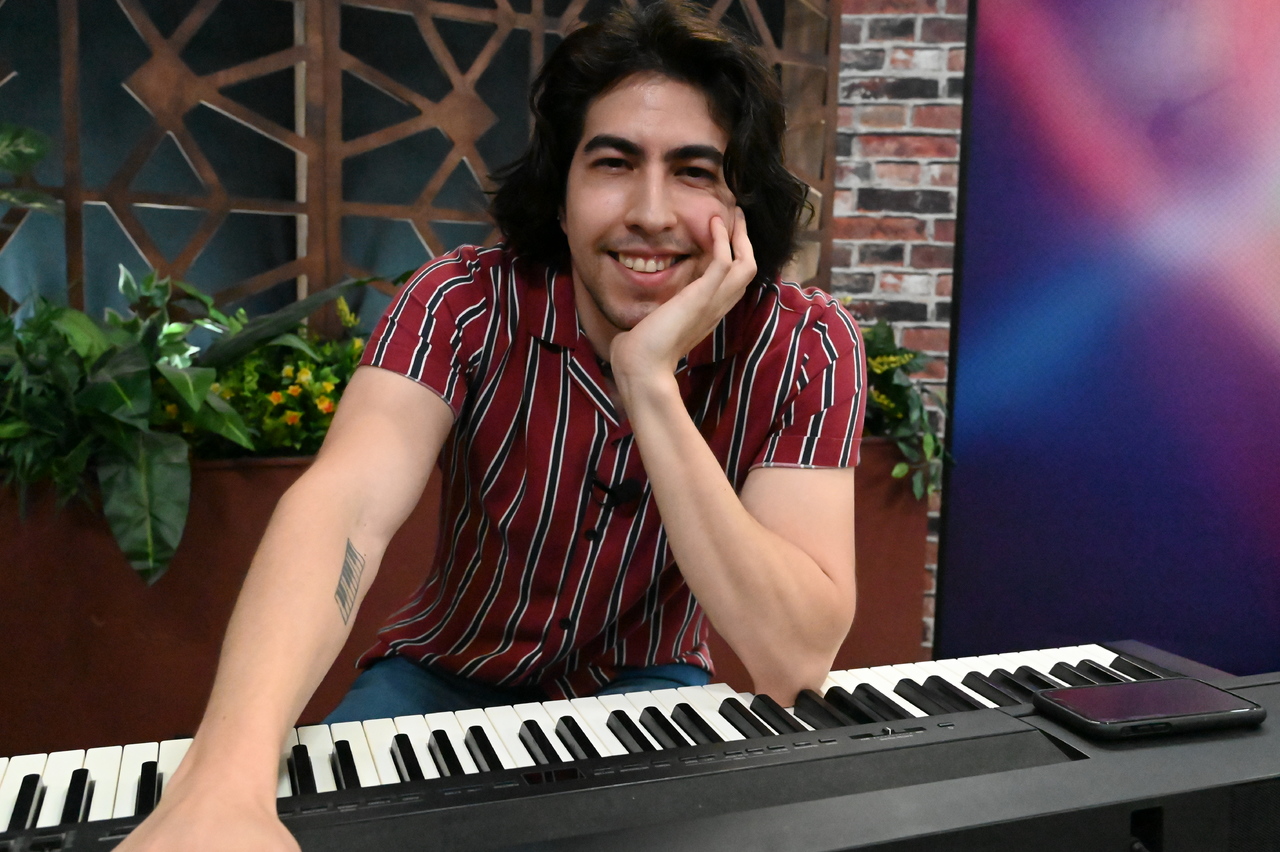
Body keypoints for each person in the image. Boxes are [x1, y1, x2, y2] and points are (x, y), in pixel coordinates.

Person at [118, 2, 864, 848]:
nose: (652, 212)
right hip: (442, 673)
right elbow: (345, 509)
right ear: (561, 195)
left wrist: (649, 382)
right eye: (613, 162)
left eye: (696, 171)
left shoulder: (806, 345)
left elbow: (794, 657)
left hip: (647, 682)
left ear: (744, 204)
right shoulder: (463, 301)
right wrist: (223, 778)